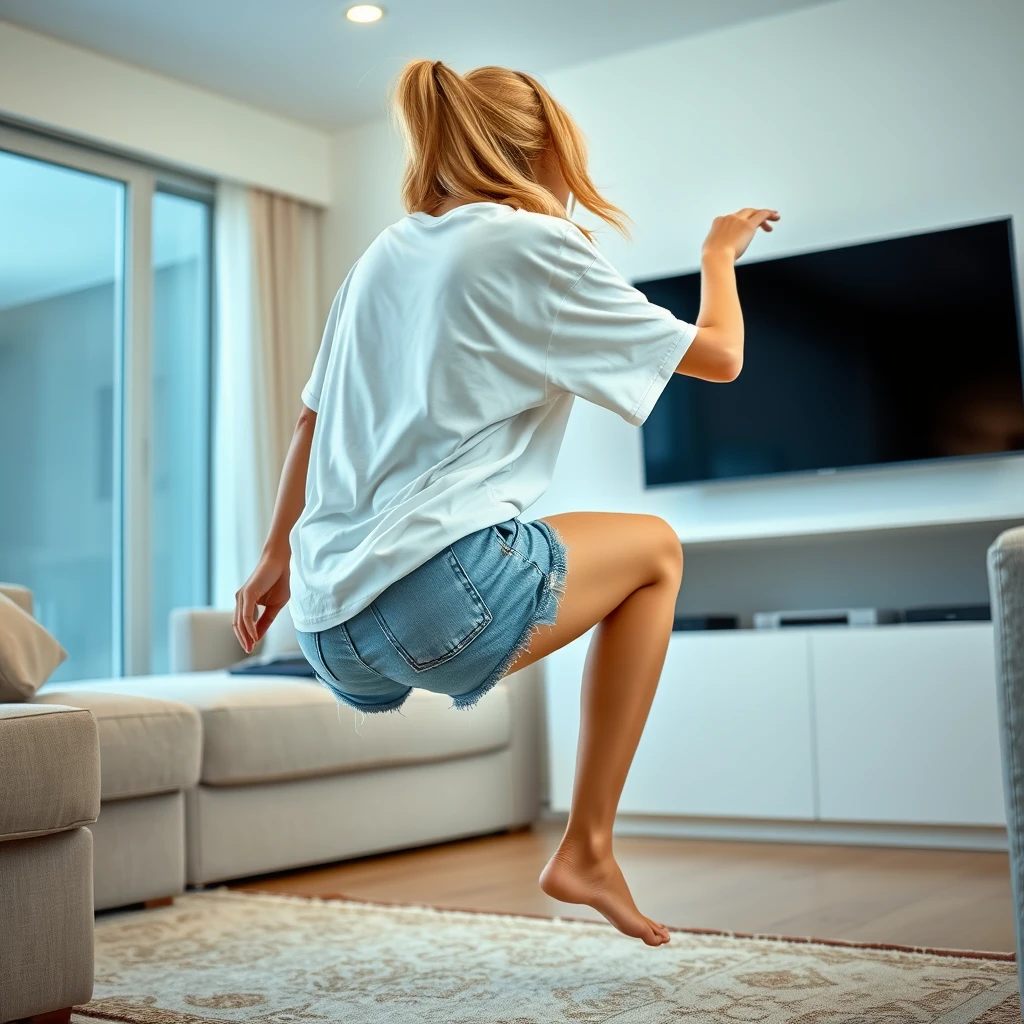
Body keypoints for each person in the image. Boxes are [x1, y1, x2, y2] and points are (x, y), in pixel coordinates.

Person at [233, 58, 778, 947]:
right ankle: (589, 847)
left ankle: (588, 849)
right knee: (658, 551)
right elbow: (720, 355)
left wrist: (273, 559)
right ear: (544, 151)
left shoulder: (387, 250)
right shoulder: (536, 243)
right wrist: (718, 252)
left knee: (613, 548)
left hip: (330, 631)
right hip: (431, 599)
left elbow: (310, 419)